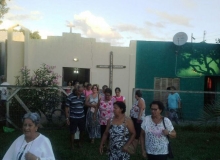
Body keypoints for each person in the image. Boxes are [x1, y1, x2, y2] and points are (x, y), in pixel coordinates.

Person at [65, 85, 86, 150]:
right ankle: (72, 145)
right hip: (73, 117)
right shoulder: (70, 97)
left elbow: (83, 104)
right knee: (72, 131)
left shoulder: (82, 96)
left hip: (81, 116)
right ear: (76, 90)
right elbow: (66, 107)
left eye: (82, 91)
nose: (81, 92)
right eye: (80, 91)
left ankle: (80, 143)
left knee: (82, 130)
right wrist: (67, 118)